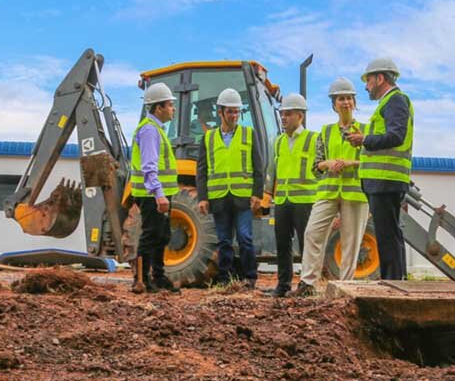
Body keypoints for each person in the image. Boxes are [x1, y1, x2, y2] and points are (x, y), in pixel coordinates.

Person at [291, 78, 369, 297]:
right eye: (340, 99)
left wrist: (350, 163)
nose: (344, 102)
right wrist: (329, 164)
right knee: (312, 233)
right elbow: (317, 165)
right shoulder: (324, 132)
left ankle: (345, 287)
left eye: (348, 98)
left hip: (355, 194)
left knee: (350, 242)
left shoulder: (365, 131)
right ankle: (308, 283)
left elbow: (372, 162)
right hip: (327, 192)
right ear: (334, 104)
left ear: (354, 102)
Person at [346, 58, 413, 280]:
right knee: (390, 234)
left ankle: (392, 283)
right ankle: (396, 281)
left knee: (387, 235)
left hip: (386, 180)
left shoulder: (395, 101)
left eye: (368, 80)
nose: (366, 86)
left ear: (380, 78)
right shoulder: (390, 103)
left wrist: (364, 139)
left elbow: (395, 136)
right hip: (383, 180)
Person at [196, 88, 264, 288]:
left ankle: (249, 278)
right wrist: (203, 197)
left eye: (237, 112)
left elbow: (258, 166)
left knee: (245, 238)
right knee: (224, 240)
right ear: (220, 112)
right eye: (230, 112)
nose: (234, 116)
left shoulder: (248, 135)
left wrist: (257, 194)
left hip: (242, 197)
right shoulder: (208, 138)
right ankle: (225, 278)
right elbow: (202, 170)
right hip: (218, 198)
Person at [129, 82, 180, 293]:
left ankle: (158, 276)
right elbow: (149, 167)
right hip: (151, 194)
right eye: (170, 105)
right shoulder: (150, 130)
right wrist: (159, 195)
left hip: (158, 193)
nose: (173, 109)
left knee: (162, 234)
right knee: (151, 234)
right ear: (158, 108)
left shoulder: (156, 129)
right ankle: (141, 280)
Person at [265, 93, 317, 297]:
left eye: (288, 114)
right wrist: (268, 193)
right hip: (283, 201)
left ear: (300, 116)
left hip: (306, 201)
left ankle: (307, 285)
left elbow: (320, 170)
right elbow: (273, 171)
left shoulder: (313, 139)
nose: (283, 118)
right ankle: (283, 285)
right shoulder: (278, 142)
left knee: (307, 245)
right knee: (282, 245)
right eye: (282, 114)